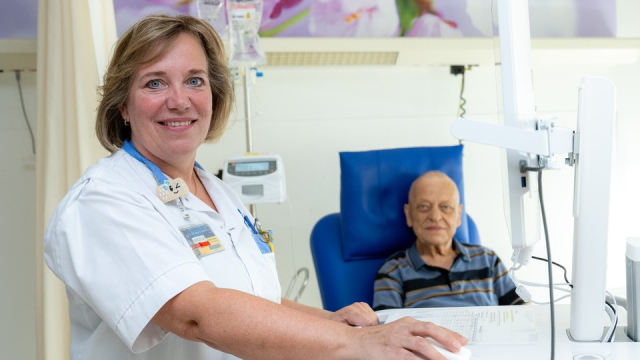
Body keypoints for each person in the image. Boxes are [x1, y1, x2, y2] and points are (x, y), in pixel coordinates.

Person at [44, 14, 469, 360]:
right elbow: (197, 314)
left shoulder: (219, 193)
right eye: (155, 82)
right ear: (123, 104)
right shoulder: (102, 201)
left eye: (194, 80)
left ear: (213, 94)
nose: (179, 99)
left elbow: (253, 300)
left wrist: (330, 322)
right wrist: (355, 344)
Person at [373, 171, 525, 311]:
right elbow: (386, 334)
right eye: (424, 207)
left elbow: (524, 313)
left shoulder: (488, 260)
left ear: (458, 215)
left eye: (445, 207)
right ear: (409, 214)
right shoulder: (393, 271)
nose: (435, 216)